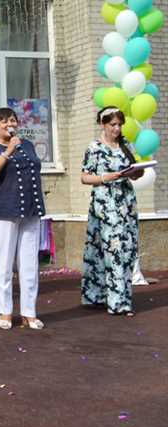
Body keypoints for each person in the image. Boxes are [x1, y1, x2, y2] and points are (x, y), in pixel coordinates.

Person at [0, 108, 46, 330]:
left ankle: (29, 312)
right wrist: (7, 151)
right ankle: (5, 311)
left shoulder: (26, 144)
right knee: (4, 263)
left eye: (13, 120)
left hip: (30, 209)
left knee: (29, 264)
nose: (11, 123)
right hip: (3, 210)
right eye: (6, 121)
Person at [80, 106, 143, 316]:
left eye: (119, 125)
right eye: (112, 124)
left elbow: (133, 173)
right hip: (105, 204)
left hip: (126, 202)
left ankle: (101, 295)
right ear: (103, 124)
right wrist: (107, 177)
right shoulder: (95, 147)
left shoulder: (126, 144)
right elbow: (84, 177)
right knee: (114, 250)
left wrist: (135, 173)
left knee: (127, 249)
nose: (116, 129)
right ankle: (117, 303)